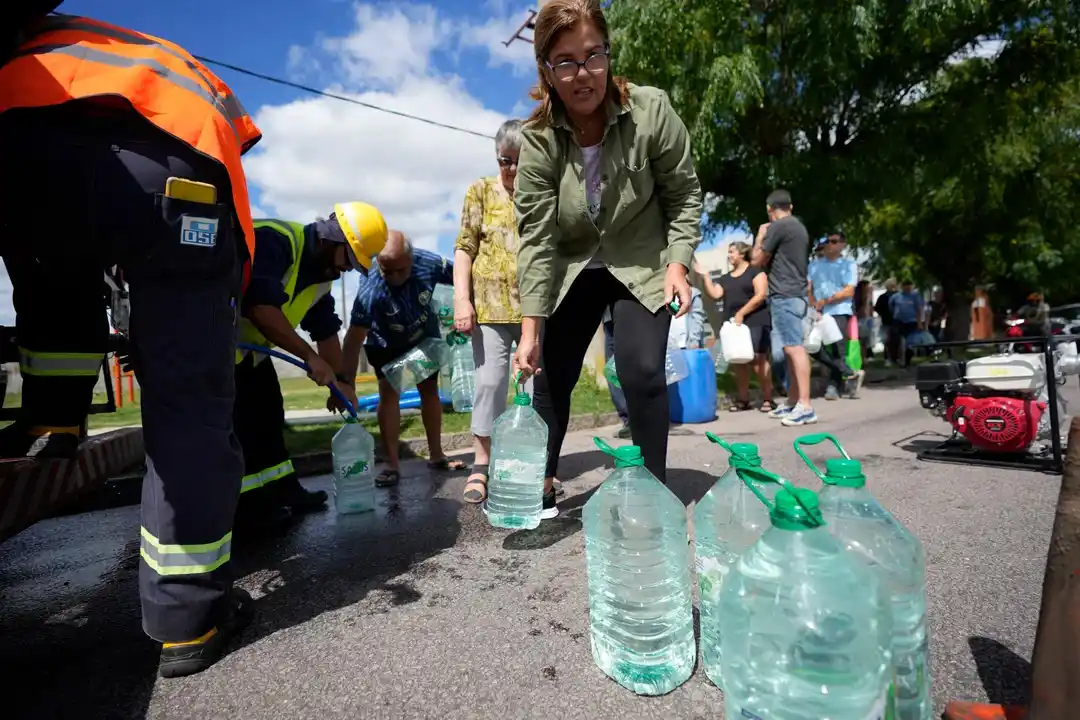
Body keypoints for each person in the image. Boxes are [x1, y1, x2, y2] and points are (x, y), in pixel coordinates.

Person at [0, 8, 259, 677]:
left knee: (52, 270)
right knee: (188, 406)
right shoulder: (190, 88)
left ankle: (54, 416)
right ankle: (189, 620)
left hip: (23, 146)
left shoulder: (60, 42)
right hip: (176, 170)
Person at [513, 0, 703, 509]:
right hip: (574, 266)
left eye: (594, 55)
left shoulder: (650, 110)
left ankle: (653, 493)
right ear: (547, 72)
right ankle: (542, 482)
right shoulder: (536, 140)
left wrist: (679, 265)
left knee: (640, 370)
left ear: (608, 54)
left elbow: (683, 194)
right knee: (551, 373)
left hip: (640, 260)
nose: (583, 74)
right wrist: (529, 331)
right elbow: (535, 237)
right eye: (566, 62)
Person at [233, 204, 388, 523]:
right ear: (332, 240)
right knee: (240, 427)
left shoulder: (321, 277)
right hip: (216, 345)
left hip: (251, 352)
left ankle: (283, 490)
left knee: (269, 416)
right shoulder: (275, 241)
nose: (347, 269)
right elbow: (260, 307)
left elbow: (325, 330)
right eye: (349, 259)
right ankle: (250, 511)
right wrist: (310, 357)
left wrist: (342, 382)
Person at [342, 232, 467, 487]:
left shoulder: (429, 264)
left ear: (411, 259)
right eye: (388, 271)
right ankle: (392, 464)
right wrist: (347, 384)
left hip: (423, 337)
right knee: (388, 394)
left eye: (401, 270)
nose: (395, 278)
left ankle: (436, 455)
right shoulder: (371, 286)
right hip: (384, 342)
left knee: (429, 390)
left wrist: (464, 305)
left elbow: (463, 277)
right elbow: (353, 339)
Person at [452, 119, 533, 505]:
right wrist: (461, 299)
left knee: (532, 389)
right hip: (490, 309)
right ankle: (481, 464)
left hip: (535, 311)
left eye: (520, 160)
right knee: (490, 384)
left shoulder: (539, 194)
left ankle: (527, 465)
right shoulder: (480, 191)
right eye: (505, 160)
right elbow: (464, 247)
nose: (512, 169)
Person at [751, 189, 815, 426]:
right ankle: (792, 402)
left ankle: (805, 406)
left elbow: (757, 260)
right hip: (796, 293)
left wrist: (759, 237)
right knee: (790, 348)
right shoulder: (798, 226)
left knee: (794, 348)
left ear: (770, 208)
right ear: (791, 205)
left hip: (785, 294)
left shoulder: (778, 226)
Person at [696, 242, 773, 412]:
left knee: (758, 360)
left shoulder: (756, 272)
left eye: (731, 252)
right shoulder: (726, 278)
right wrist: (706, 276)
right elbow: (716, 294)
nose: (729, 255)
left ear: (742, 253)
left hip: (756, 320)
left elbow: (761, 295)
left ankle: (768, 398)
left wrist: (742, 313)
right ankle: (743, 400)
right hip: (734, 324)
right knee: (739, 361)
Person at [807, 231, 865, 400]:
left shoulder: (849, 264)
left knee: (836, 350)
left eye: (833, 241)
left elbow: (849, 290)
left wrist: (826, 301)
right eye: (827, 241)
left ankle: (834, 387)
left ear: (842, 245)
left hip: (839, 311)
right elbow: (808, 287)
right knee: (813, 347)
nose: (829, 245)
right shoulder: (815, 265)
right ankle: (850, 373)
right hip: (819, 313)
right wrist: (813, 305)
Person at [601, 308, 631, 438]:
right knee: (614, 367)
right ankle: (633, 421)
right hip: (611, 315)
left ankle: (632, 421)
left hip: (618, 314)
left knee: (616, 366)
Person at [889, 279, 925, 367]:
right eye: (906, 286)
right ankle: (898, 359)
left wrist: (919, 322)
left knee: (910, 342)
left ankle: (907, 360)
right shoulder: (896, 296)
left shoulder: (915, 296)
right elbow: (891, 307)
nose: (908, 288)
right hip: (899, 321)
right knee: (899, 341)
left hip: (912, 321)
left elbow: (919, 309)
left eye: (910, 286)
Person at [875, 278, 899, 365]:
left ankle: (896, 358)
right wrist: (883, 314)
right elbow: (877, 308)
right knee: (887, 340)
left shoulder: (899, 296)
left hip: (897, 322)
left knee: (896, 340)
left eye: (894, 285)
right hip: (886, 321)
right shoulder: (883, 297)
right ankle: (887, 358)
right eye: (891, 285)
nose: (893, 286)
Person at [855, 279, 875, 361]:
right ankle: (859, 358)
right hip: (859, 320)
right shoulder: (857, 298)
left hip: (867, 320)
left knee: (865, 341)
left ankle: (863, 359)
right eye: (866, 286)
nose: (868, 288)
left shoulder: (868, 297)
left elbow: (870, 308)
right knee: (859, 340)